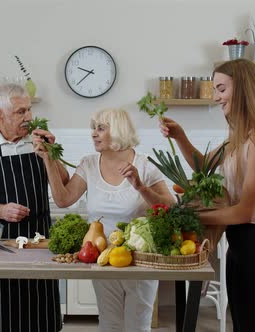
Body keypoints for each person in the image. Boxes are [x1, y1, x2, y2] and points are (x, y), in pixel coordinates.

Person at [160, 58, 255, 332]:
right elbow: (202, 165)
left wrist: (192, 214)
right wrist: (180, 136)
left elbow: (245, 212)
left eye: (221, 89)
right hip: (241, 247)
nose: (217, 97)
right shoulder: (239, 138)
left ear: (242, 89)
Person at [34, 108, 175, 332]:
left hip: (139, 261)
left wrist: (139, 186)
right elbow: (63, 199)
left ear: (118, 130)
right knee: (109, 325)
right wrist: (48, 159)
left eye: (100, 128)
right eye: (93, 128)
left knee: (138, 326)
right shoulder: (89, 164)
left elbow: (170, 207)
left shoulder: (145, 165)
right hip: (102, 258)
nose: (93, 133)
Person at [0, 83, 69, 332]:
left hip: (40, 243)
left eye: (29, 110)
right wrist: (1, 211)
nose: (29, 117)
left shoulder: (38, 140)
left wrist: (50, 154)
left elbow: (64, 183)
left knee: (43, 317)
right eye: (20, 112)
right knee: (1, 317)